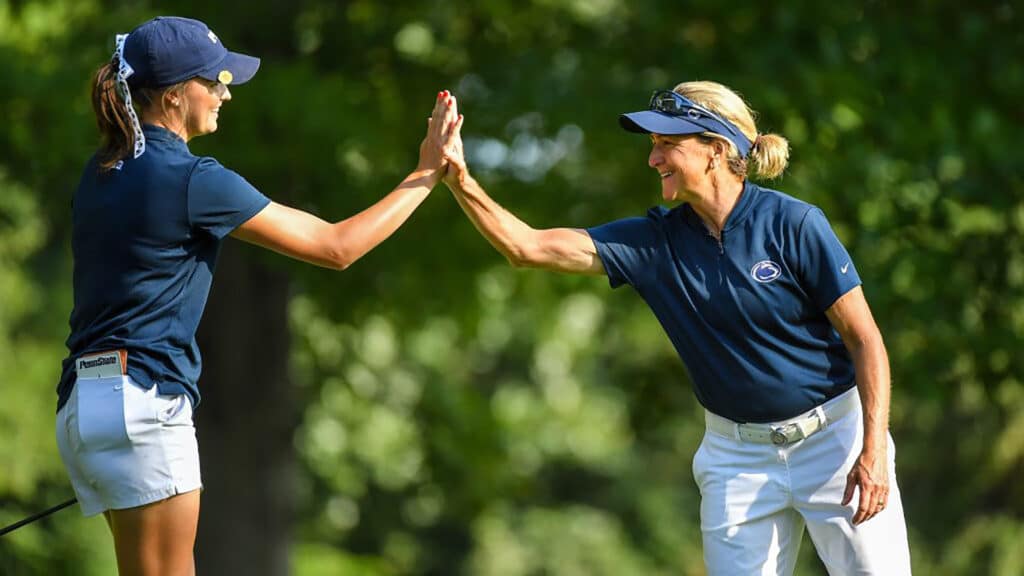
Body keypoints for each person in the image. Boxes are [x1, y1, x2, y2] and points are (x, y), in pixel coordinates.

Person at [437, 82, 912, 574]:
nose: (653, 158)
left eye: (668, 143)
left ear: (716, 151)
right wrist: (460, 180)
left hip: (836, 442)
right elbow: (528, 248)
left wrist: (873, 450)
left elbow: (865, 339)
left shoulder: (793, 224)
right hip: (736, 460)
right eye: (652, 145)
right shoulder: (654, 244)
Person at [54, 16, 458, 575]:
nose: (224, 94)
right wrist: (426, 173)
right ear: (174, 95)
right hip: (144, 402)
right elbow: (336, 246)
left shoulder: (98, 172)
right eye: (214, 81)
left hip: (84, 407)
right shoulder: (196, 179)